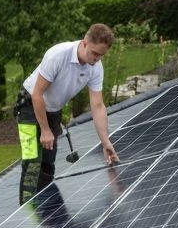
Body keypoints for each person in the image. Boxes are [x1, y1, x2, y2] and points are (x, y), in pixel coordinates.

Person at [15, 23, 120, 204]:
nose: (96, 59)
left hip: (53, 110)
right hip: (28, 106)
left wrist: (105, 142)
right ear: (85, 42)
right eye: (94, 53)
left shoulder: (95, 67)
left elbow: (98, 106)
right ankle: (26, 212)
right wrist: (45, 130)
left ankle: (45, 213)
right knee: (32, 160)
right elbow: (37, 94)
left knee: (48, 164)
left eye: (101, 55)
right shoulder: (58, 55)